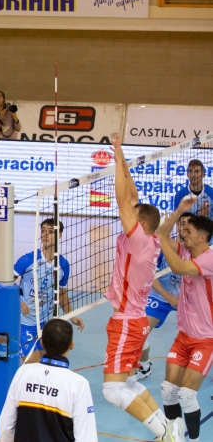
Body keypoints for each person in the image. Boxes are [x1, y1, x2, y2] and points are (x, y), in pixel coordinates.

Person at [101, 134, 183, 442]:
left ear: (143, 224)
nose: (127, 215)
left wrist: (116, 159)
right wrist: (120, 155)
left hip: (127, 323)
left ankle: (163, 433)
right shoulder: (146, 240)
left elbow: (124, 200)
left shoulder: (138, 239)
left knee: (112, 390)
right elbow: (131, 197)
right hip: (132, 321)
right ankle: (169, 426)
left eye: (134, 216)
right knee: (129, 384)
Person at [157, 199, 213, 442]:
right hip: (183, 337)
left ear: (203, 237)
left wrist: (162, 240)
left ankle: (195, 440)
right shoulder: (187, 250)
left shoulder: (209, 259)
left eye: (188, 232)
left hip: (205, 340)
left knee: (187, 395)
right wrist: (179, 211)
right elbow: (163, 233)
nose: (183, 235)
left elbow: (178, 268)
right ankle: (174, 436)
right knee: (168, 391)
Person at [0, 319, 97, 442]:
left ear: (42, 343)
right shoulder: (78, 384)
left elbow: (5, 426)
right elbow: (86, 438)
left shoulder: (23, 373)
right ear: (71, 344)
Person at [15, 218, 84, 364]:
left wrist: (71, 316)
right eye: (43, 231)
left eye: (50, 232)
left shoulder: (63, 265)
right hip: (25, 323)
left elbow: (62, 293)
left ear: (59, 236)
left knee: (45, 366)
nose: (45, 235)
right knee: (32, 368)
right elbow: (5, 283)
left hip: (46, 325)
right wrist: (18, 301)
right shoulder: (28, 260)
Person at [136, 213, 194, 380]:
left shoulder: (199, 251)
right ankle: (144, 367)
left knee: (204, 334)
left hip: (189, 298)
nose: (184, 227)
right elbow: (148, 276)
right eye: (181, 223)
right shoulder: (161, 248)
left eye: (188, 224)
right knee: (140, 332)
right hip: (160, 295)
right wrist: (169, 297)